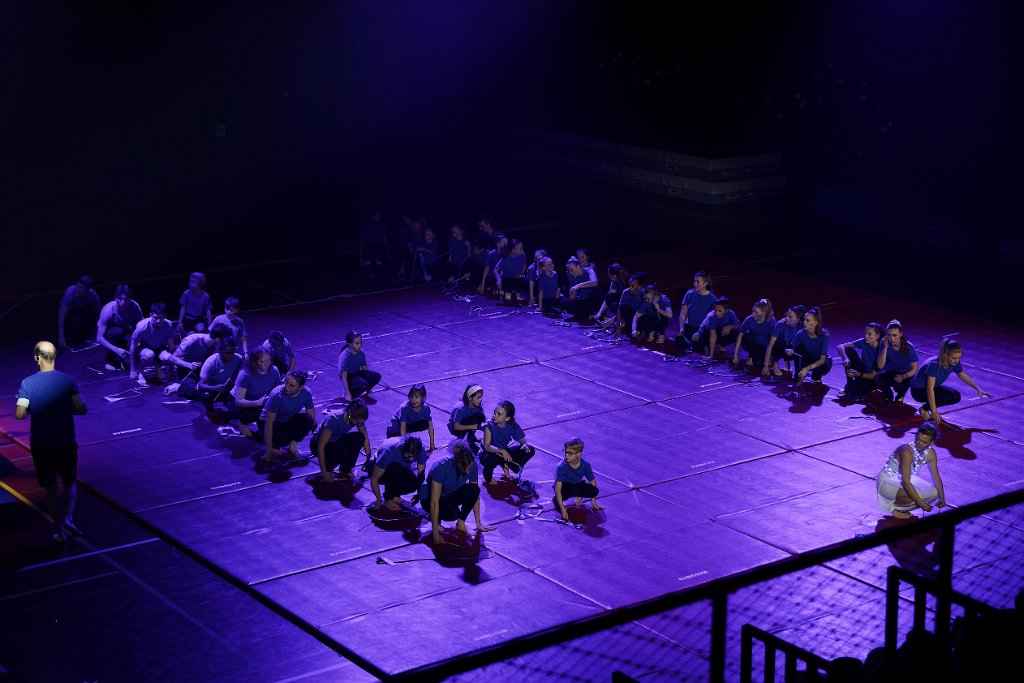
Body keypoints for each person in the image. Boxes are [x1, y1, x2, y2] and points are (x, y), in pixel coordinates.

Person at [15, 341, 88, 542]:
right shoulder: (68, 381)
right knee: (70, 482)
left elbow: (20, 414)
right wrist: (61, 410)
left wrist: (39, 410)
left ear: (37, 358)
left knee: (49, 487)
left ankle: (60, 531)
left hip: (42, 444)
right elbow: (82, 408)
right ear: (54, 356)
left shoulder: (27, 383)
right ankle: (69, 518)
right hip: (66, 440)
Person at [421, 440, 494, 545]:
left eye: (469, 468)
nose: (468, 472)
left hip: (450, 494)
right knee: (451, 515)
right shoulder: (441, 467)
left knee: (474, 489)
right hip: (430, 498)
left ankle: (460, 523)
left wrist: (478, 523)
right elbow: (434, 502)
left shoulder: (472, 466)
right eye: (465, 469)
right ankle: (436, 520)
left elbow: (474, 494)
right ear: (458, 465)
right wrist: (435, 533)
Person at [911, 339, 992, 424]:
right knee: (944, 397)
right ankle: (924, 409)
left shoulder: (954, 362)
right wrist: (934, 412)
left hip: (934, 387)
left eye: (958, 358)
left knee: (955, 396)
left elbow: (961, 375)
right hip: (918, 391)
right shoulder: (934, 365)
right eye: (954, 358)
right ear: (945, 355)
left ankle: (925, 408)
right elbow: (929, 389)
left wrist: (978, 388)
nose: (956, 361)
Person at [876, 422, 946, 518]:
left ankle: (902, 506)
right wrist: (922, 504)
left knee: (933, 493)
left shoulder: (931, 453)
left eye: (924, 442)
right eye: (918, 439)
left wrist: (942, 498)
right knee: (920, 495)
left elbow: (935, 477)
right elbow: (905, 482)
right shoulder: (907, 452)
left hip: (903, 479)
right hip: (887, 481)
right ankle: (894, 508)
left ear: (931, 443)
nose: (919, 443)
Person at [260, 370, 316, 463]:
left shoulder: (306, 393)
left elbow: (311, 415)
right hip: (272, 424)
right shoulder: (277, 395)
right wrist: (268, 451)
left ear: (300, 387)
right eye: (286, 382)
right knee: (281, 442)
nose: (287, 387)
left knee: (308, 419)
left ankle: (292, 448)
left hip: (287, 421)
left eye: (291, 385)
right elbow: (268, 424)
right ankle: (274, 445)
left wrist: (317, 438)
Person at [230, 345, 282, 438]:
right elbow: (238, 401)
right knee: (253, 415)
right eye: (262, 361)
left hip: (262, 400)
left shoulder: (274, 370)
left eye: (269, 360)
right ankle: (242, 423)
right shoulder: (245, 375)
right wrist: (257, 402)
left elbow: (277, 390)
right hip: (241, 402)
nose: (267, 364)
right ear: (254, 361)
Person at [313, 399, 371, 481]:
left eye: (361, 423)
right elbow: (320, 445)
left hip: (335, 441)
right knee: (329, 466)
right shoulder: (335, 419)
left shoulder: (355, 417)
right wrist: (324, 473)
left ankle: (345, 469)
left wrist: (369, 458)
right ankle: (329, 463)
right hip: (318, 445)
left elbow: (364, 435)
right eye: (358, 422)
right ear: (350, 414)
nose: (359, 424)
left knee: (359, 438)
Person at [481, 399, 534, 484]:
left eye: (499, 414)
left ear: (507, 418)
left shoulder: (512, 425)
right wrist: (502, 451)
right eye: (495, 412)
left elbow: (522, 441)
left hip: (503, 451)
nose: (495, 415)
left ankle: (511, 465)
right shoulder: (489, 425)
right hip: (489, 453)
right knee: (493, 457)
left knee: (531, 450)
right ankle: (488, 477)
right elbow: (486, 446)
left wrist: (525, 446)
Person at [369, 434, 426, 510]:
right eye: (409, 456)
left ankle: (394, 495)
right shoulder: (390, 451)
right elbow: (374, 479)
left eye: (414, 456)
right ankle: (388, 499)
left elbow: (421, 475)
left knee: (413, 484)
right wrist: (379, 500)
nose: (412, 459)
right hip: (376, 467)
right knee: (395, 468)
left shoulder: (420, 450)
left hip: (398, 467)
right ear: (403, 449)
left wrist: (419, 494)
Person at [552, 437, 604, 522]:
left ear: (579, 454)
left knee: (594, 491)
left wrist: (593, 502)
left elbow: (592, 481)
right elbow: (558, 489)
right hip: (564, 487)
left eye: (570, 453)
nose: (566, 456)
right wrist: (562, 509)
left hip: (576, 485)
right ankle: (556, 500)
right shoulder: (561, 467)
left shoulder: (585, 465)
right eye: (565, 452)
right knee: (561, 503)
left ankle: (578, 498)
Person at [96, 284, 144, 371]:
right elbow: (99, 338)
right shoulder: (108, 311)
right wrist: (117, 350)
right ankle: (110, 360)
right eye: (120, 299)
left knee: (136, 338)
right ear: (115, 298)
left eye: (126, 299)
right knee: (117, 331)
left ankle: (126, 357)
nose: (123, 302)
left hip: (126, 330)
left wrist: (138, 340)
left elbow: (142, 326)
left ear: (130, 299)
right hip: (110, 333)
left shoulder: (135, 306)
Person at [129, 302, 176, 385]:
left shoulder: (168, 324)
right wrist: (132, 370)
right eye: (155, 318)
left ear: (165, 315)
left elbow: (171, 346)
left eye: (161, 317)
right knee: (149, 354)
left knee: (167, 357)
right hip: (144, 348)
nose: (158, 321)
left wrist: (171, 369)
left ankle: (158, 365)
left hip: (159, 347)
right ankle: (140, 371)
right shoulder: (142, 326)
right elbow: (132, 346)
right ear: (151, 315)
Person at [875, 320, 919, 403]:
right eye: (889, 335)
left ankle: (900, 395)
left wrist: (903, 376)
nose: (892, 338)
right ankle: (888, 394)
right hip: (890, 371)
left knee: (899, 387)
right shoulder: (883, 343)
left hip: (905, 373)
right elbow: (880, 366)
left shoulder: (909, 347)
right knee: (878, 381)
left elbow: (914, 368)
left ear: (900, 334)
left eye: (895, 335)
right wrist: (885, 348)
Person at [837, 322, 884, 398]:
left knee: (856, 392)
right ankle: (850, 386)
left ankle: (862, 388)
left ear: (877, 336)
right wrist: (845, 358)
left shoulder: (882, 349)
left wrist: (859, 374)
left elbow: (872, 376)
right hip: (862, 371)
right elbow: (840, 347)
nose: (866, 336)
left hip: (873, 377)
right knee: (848, 350)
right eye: (865, 333)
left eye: (869, 334)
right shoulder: (864, 342)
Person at [197, 338, 243, 415]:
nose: (230, 356)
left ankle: (227, 405)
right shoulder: (211, 361)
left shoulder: (239, 359)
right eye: (227, 353)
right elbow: (201, 385)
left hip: (227, 388)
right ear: (220, 351)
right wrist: (215, 388)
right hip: (211, 388)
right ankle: (209, 411)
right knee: (205, 394)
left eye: (232, 353)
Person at [675, 270, 715, 353]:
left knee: (695, 346)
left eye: (698, 282)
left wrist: (699, 332)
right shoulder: (689, 293)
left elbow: (710, 321)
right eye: (694, 281)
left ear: (705, 283)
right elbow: (683, 313)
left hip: (702, 329)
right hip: (690, 326)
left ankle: (703, 344)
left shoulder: (712, 299)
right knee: (678, 342)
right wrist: (682, 327)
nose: (695, 284)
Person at [337, 331, 381, 404]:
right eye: (357, 343)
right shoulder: (345, 356)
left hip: (357, 373)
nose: (360, 345)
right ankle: (353, 393)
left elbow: (364, 367)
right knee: (363, 384)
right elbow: (343, 376)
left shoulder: (360, 352)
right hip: (348, 376)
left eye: (361, 342)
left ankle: (364, 393)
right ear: (350, 344)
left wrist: (369, 385)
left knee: (376, 376)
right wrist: (347, 393)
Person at [387, 384, 436, 450]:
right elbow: (403, 426)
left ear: (423, 398)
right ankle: (390, 431)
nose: (413, 399)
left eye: (416, 397)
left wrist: (432, 444)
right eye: (411, 396)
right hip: (398, 422)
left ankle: (408, 432)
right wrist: (404, 445)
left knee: (425, 424)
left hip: (410, 422)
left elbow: (430, 426)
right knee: (396, 438)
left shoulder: (426, 408)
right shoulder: (405, 408)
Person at [57, 275, 101, 348]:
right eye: (77, 286)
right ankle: (71, 335)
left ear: (88, 290)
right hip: (70, 314)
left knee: (93, 311)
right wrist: (61, 337)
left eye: (81, 288)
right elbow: (61, 316)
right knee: (75, 320)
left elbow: (100, 312)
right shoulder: (70, 294)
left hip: (82, 311)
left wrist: (100, 333)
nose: (77, 290)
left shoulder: (92, 294)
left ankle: (87, 335)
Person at [763, 305, 806, 378]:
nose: (786, 318)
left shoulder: (801, 326)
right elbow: (770, 344)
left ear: (798, 319)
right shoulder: (780, 324)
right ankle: (774, 363)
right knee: (778, 343)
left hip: (791, 349)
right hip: (779, 348)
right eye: (786, 315)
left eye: (790, 317)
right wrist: (766, 365)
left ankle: (798, 372)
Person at [792, 306, 833, 382]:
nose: (804, 323)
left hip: (822, 361)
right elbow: (792, 348)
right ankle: (798, 374)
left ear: (815, 323)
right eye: (804, 320)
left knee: (818, 372)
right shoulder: (801, 334)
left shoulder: (824, 336)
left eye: (807, 321)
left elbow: (822, 360)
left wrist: (807, 368)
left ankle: (816, 377)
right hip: (809, 357)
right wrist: (790, 351)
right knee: (797, 349)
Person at [733, 298, 776, 370]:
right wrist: (735, 355)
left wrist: (768, 358)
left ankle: (767, 358)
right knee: (745, 336)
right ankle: (751, 356)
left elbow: (772, 341)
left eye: (756, 312)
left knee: (759, 365)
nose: (753, 314)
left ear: (764, 313)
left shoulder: (771, 321)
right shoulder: (749, 319)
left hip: (765, 347)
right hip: (754, 345)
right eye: (753, 311)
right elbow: (740, 336)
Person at [448, 384, 485, 449]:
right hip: (457, 427)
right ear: (470, 398)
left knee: (479, 417)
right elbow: (456, 427)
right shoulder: (460, 409)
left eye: (481, 397)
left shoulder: (477, 405)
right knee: (475, 419)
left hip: (469, 423)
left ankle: (471, 437)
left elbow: (483, 419)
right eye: (478, 398)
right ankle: (462, 441)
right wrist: (474, 426)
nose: (480, 399)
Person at [593, 262, 628, 327]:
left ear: (614, 276)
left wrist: (612, 321)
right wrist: (599, 313)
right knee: (608, 297)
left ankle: (620, 320)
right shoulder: (614, 282)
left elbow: (626, 306)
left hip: (629, 308)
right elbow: (608, 298)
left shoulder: (627, 284)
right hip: (620, 305)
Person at [494, 238, 528, 302]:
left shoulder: (522, 255)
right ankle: (507, 294)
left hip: (516, 277)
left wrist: (521, 273)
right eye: (520, 249)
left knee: (523, 280)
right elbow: (495, 269)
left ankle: (517, 294)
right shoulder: (505, 258)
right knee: (508, 294)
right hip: (506, 278)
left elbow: (524, 265)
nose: (522, 250)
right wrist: (498, 279)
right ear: (513, 250)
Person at [615, 271, 646, 337]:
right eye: (629, 285)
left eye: (632, 286)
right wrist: (618, 328)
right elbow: (619, 310)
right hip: (632, 315)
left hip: (641, 316)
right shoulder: (626, 292)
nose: (630, 288)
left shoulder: (644, 294)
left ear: (639, 286)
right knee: (623, 307)